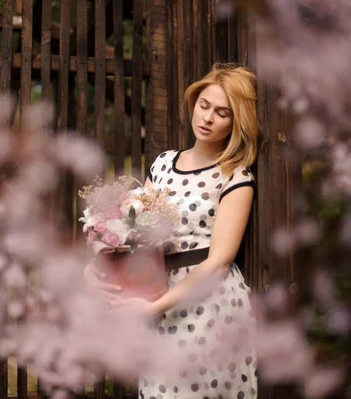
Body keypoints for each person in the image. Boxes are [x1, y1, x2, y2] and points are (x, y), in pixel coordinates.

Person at [85, 63, 259, 399]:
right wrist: (94, 266)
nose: (207, 118)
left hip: (209, 303)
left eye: (222, 113)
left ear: (236, 122)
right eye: (204, 105)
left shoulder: (235, 176)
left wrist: (155, 307)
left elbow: (220, 261)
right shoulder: (164, 163)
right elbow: (135, 234)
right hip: (156, 290)